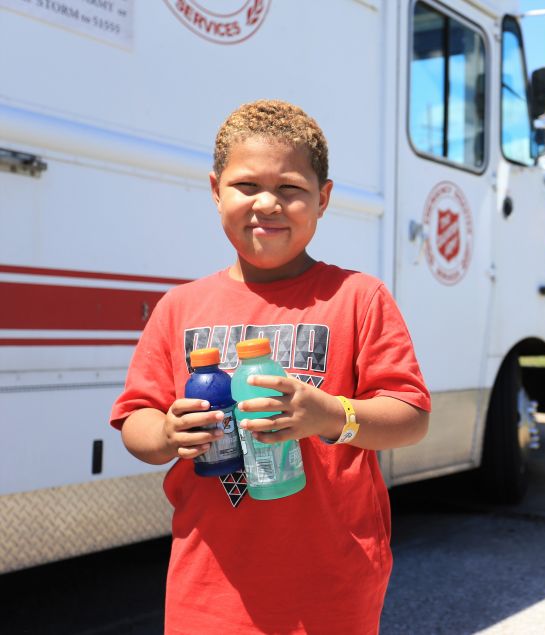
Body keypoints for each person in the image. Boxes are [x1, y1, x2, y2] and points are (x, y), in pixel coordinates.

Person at [110, 100, 430, 634]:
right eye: (245, 186)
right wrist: (167, 432)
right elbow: (134, 421)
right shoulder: (179, 307)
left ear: (322, 199)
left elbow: (411, 416)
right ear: (215, 191)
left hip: (333, 588)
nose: (267, 204)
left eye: (290, 189)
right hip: (208, 590)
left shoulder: (359, 298)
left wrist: (329, 414)